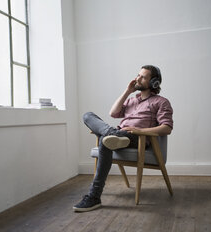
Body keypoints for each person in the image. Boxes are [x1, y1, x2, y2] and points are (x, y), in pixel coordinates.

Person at [73, 65, 173, 212]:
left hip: (136, 138)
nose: (137, 78)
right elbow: (113, 113)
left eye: (143, 77)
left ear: (154, 82)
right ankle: (112, 135)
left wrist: (139, 130)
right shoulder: (132, 100)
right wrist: (127, 91)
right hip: (120, 134)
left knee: (104, 140)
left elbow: (167, 128)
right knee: (87, 115)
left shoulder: (161, 102)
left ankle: (94, 197)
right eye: (138, 75)